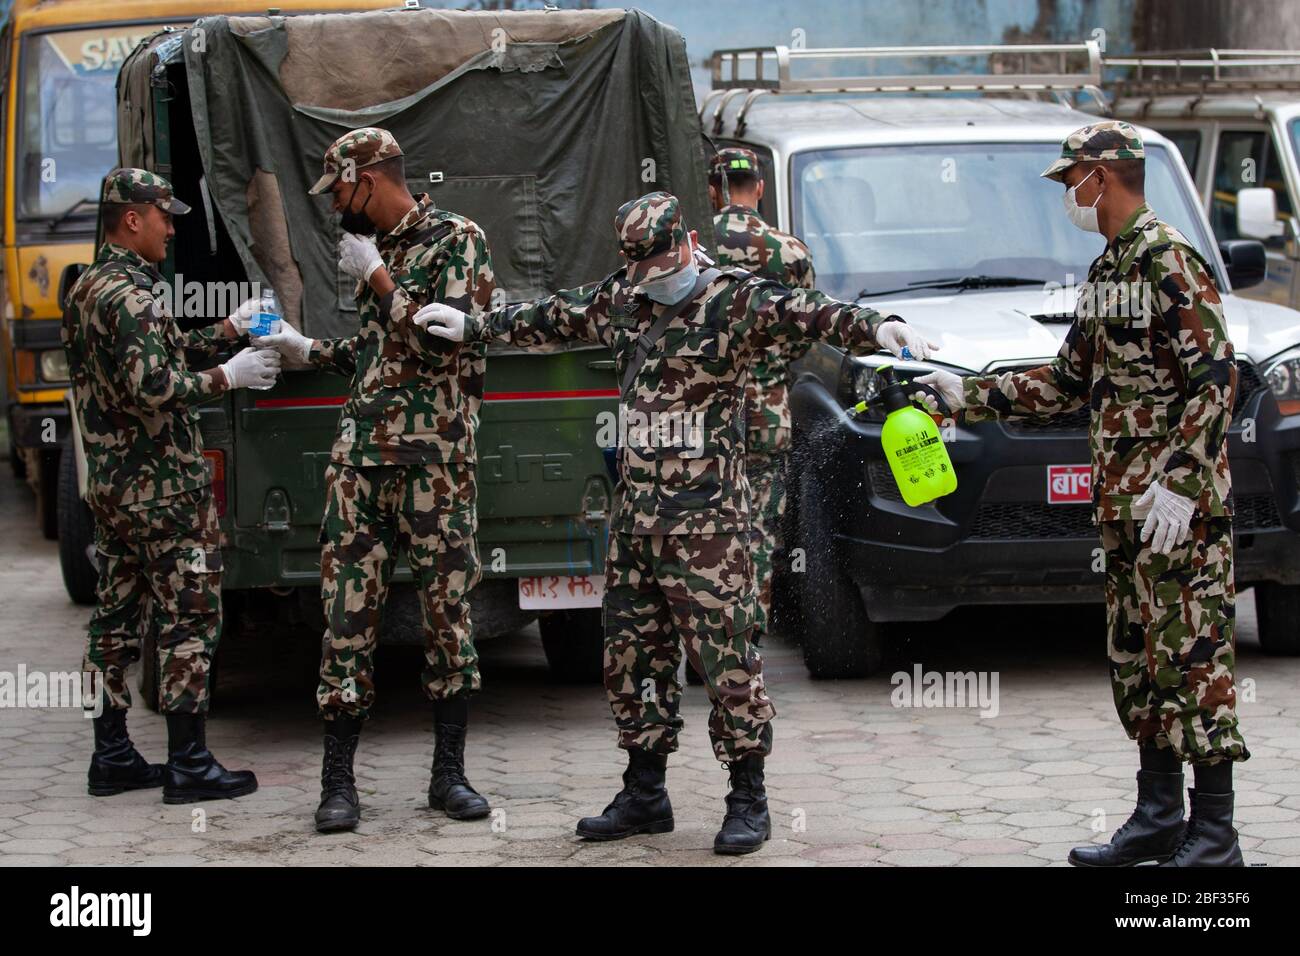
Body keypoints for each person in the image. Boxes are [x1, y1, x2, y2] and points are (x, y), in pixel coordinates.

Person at [413, 190, 935, 854]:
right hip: (636, 522)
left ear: (685, 243)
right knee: (633, 659)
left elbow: (810, 312)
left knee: (729, 665)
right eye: (641, 269)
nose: (653, 280)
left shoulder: (732, 299)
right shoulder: (623, 296)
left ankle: (748, 797)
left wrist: (881, 326)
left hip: (710, 524)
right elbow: (552, 316)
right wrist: (474, 326)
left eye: (661, 264)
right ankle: (644, 794)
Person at [916, 121, 1248, 867]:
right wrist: (963, 394)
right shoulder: (1110, 270)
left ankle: (1216, 837)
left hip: (1177, 516)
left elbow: (1218, 379)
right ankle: (1159, 818)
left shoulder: (1170, 260)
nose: (1070, 196)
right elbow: (1067, 380)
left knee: (1194, 661)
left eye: (1074, 182)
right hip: (1126, 513)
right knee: (1140, 660)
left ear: (1106, 176)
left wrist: (1184, 486)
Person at [256, 128, 495, 833]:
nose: (336, 209)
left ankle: (449, 777)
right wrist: (308, 349)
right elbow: (378, 353)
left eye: (340, 193)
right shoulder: (375, 252)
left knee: (449, 620)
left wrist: (380, 279)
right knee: (345, 622)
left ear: (369, 178)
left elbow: (439, 342)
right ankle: (339, 786)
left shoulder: (459, 240)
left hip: (436, 466)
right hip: (359, 465)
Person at [64, 167, 273, 803]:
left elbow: (158, 353)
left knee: (116, 622)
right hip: (164, 493)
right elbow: (154, 387)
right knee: (190, 618)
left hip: (116, 490)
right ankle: (189, 764)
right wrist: (229, 378)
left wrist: (227, 333)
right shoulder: (132, 294)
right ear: (133, 218)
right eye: (164, 213)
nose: (172, 225)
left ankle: (114, 757)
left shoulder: (93, 286)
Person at [708, 147, 816, 643]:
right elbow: (805, 332)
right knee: (756, 533)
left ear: (713, 190)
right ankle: (745, 647)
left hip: (702, 414)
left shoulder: (695, 249)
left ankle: (702, 647)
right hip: (766, 414)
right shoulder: (790, 252)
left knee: (704, 529)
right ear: (761, 187)